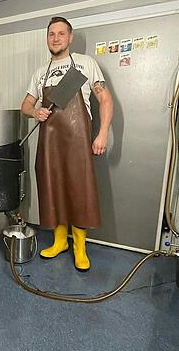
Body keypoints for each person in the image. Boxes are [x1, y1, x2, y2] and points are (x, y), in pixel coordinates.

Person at [20, 16, 113, 272]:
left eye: (61, 33)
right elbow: (25, 105)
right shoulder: (40, 73)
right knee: (53, 189)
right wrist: (35, 111)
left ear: (70, 37)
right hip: (49, 143)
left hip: (78, 140)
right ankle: (60, 241)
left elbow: (105, 99)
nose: (56, 38)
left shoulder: (85, 64)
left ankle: (79, 247)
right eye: (51, 34)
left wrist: (102, 132)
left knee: (79, 190)